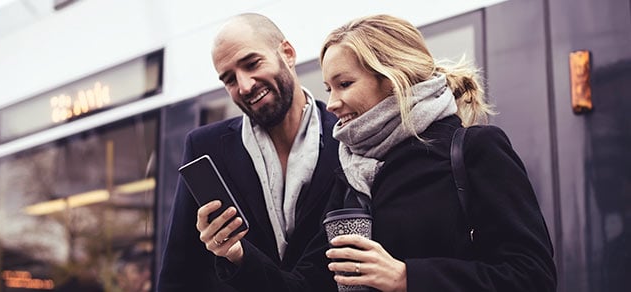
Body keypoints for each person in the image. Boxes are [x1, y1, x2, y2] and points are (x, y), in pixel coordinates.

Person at [318, 14, 557, 291]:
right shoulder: (348, 172)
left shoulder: (474, 149)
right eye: (328, 89)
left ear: (394, 77)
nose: (332, 103)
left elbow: (533, 276)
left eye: (344, 84)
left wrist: (408, 278)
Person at [157, 13, 339, 291]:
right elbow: (178, 274)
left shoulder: (346, 138)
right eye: (229, 79)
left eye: (252, 64)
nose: (244, 85)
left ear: (287, 53)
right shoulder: (205, 147)